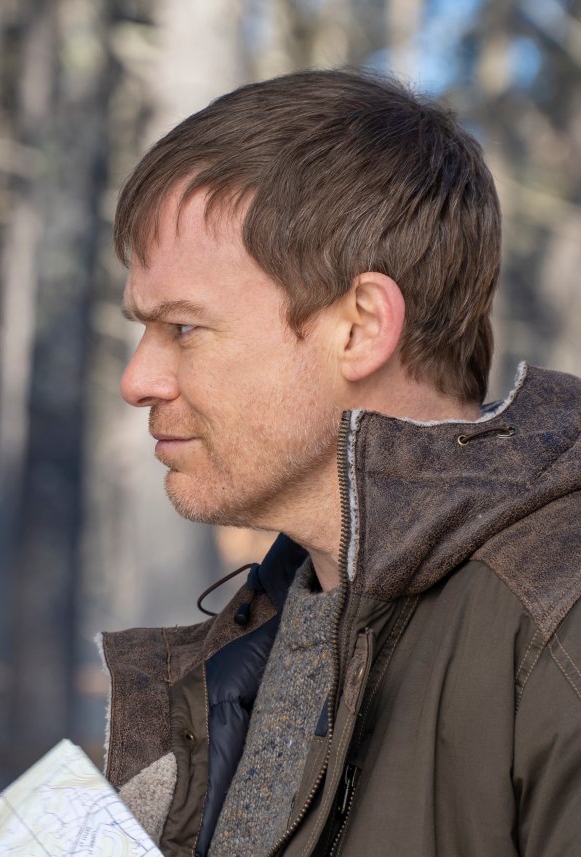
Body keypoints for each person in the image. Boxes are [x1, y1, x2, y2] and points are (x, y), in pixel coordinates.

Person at [99, 69, 581, 857]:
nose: (136, 380)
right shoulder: (268, 635)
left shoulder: (559, 626)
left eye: (182, 328)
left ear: (360, 327)